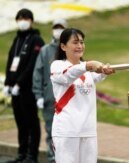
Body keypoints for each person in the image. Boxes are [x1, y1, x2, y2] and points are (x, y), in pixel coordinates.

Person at [50, 28, 114, 163]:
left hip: (88, 131)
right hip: (67, 131)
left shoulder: (86, 71)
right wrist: (88, 65)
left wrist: (105, 71)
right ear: (63, 46)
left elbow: (97, 75)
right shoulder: (57, 66)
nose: (80, 46)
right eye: (75, 42)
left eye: (81, 42)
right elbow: (68, 75)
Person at [3, 8, 44, 163]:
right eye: (20, 18)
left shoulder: (36, 40)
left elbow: (32, 64)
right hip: (14, 90)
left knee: (31, 122)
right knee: (20, 122)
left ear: (31, 20)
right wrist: (8, 83)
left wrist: (19, 83)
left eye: (25, 18)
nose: (23, 21)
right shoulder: (17, 39)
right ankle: (22, 154)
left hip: (27, 89)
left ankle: (31, 156)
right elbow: (10, 61)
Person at [32, 18, 67, 163]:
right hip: (49, 98)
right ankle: (53, 159)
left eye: (61, 28)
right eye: (56, 28)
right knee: (51, 131)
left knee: (66, 132)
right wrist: (38, 95)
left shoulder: (69, 50)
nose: (58, 30)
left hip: (66, 99)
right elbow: (37, 73)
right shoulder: (45, 50)